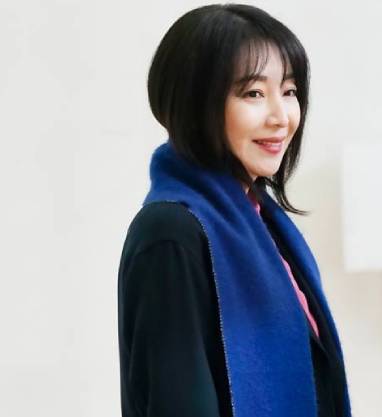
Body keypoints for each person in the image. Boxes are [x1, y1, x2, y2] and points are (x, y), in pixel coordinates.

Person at [117, 5, 350, 417]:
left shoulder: (263, 222)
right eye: (254, 93)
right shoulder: (171, 234)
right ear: (195, 103)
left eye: (289, 91)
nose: (281, 117)